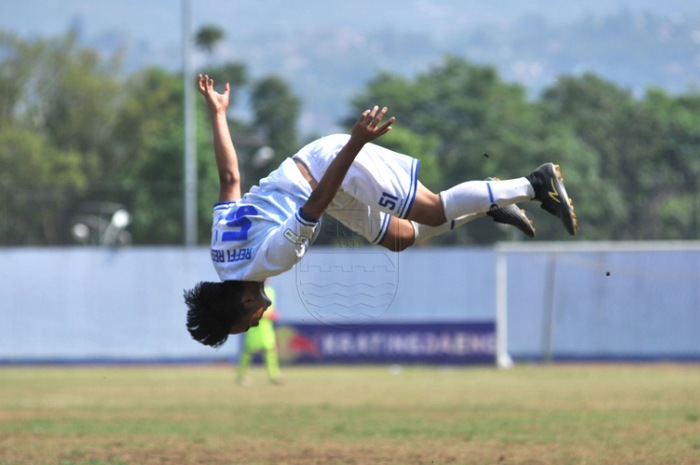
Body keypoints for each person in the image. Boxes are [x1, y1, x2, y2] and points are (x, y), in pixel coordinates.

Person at [184, 75, 577, 348]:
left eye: (245, 325)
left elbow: (315, 204)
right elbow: (230, 177)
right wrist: (219, 114)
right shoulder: (222, 257)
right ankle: (489, 200)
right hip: (319, 180)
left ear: (245, 303)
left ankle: (535, 185)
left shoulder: (274, 259)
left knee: (434, 211)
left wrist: (354, 144)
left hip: (331, 171)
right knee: (400, 238)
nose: (254, 325)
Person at [236, 284, 283, 386]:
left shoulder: (271, 291)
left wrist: (274, 314)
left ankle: (274, 375)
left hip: (266, 327)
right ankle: (241, 375)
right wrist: (267, 314)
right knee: (248, 351)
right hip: (254, 326)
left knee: (271, 350)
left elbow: (271, 308)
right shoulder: (251, 291)